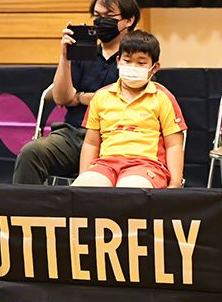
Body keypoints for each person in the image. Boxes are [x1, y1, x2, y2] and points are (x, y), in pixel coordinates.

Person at [12, 0, 140, 185]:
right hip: (73, 134)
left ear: (129, 20)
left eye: (108, 16)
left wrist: (81, 97)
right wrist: (65, 57)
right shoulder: (82, 53)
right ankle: (28, 206)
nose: (100, 21)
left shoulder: (137, 58)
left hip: (116, 137)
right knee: (31, 153)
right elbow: (62, 98)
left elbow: (128, 99)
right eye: (96, 16)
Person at [72, 30, 185, 189]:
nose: (133, 67)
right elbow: (91, 144)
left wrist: (174, 184)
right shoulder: (101, 96)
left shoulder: (163, 98)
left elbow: (174, 145)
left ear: (154, 67)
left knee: (130, 189)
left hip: (146, 165)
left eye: (141, 63)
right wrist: (84, 175)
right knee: (85, 188)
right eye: (127, 60)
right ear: (118, 61)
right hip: (106, 165)